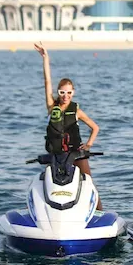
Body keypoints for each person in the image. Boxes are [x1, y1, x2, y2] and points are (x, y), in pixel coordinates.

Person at [34, 42, 104, 210]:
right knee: (51, 185)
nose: (65, 96)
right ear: (58, 93)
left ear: (73, 93)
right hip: (56, 153)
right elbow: (47, 81)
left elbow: (95, 128)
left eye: (69, 93)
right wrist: (45, 58)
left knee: (88, 182)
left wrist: (88, 145)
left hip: (75, 152)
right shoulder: (52, 106)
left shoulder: (77, 110)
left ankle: (100, 213)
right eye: (62, 92)